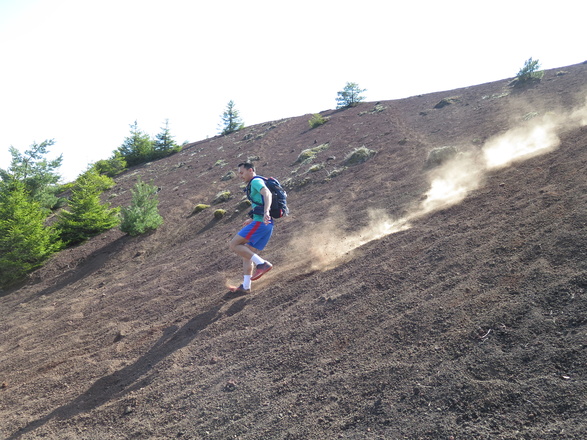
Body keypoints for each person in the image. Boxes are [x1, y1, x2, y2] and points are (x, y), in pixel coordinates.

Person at [228, 162, 274, 293]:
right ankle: (246, 286)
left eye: (242, 173)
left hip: (261, 223)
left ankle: (262, 264)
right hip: (266, 225)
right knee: (246, 253)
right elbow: (260, 200)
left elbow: (267, 194)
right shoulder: (255, 182)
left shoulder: (255, 181)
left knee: (234, 244)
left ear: (251, 170)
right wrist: (253, 217)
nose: (240, 176)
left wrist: (266, 212)